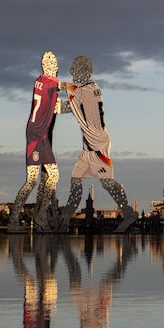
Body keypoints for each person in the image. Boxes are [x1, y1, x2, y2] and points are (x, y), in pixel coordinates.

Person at [59, 55, 137, 233]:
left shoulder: (82, 90)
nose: (72, 72)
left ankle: (128, 212)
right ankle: (63, 222)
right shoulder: (92, 88)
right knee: (76, 182)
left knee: (106, 182)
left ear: (85, 72)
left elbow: (62, 89)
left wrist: (47, 85)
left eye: (75, 69)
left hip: (97, 144)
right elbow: (72, 107)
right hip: (90, 145)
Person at [10, 52, 64, 233]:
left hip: (33, 134)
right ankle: (41, 215)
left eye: (55, 63)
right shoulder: (52, 83)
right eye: (52, 63)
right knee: (53, 176)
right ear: (49, 66)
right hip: (40, 137)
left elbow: (57, 107)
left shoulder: (42, 84)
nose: (54, 66)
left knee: (32, 180)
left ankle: (14, 221)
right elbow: (68, 90)